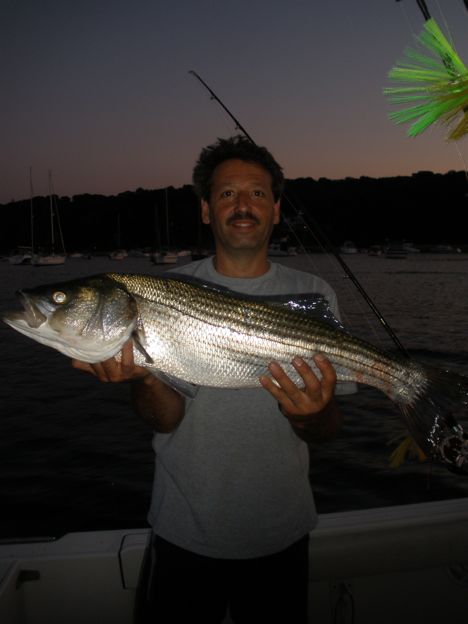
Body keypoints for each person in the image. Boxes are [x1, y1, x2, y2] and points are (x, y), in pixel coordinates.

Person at [72, 136, 355, 623]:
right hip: (183, 530)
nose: (243, 205)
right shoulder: (163, 290)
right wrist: (143, 379)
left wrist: (312, 415)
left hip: (281, 533)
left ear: (276, 209)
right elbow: (166, 421)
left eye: (257, 193)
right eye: (227, 194)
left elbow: (327, 431)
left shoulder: (313, 293)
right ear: (206, 210)